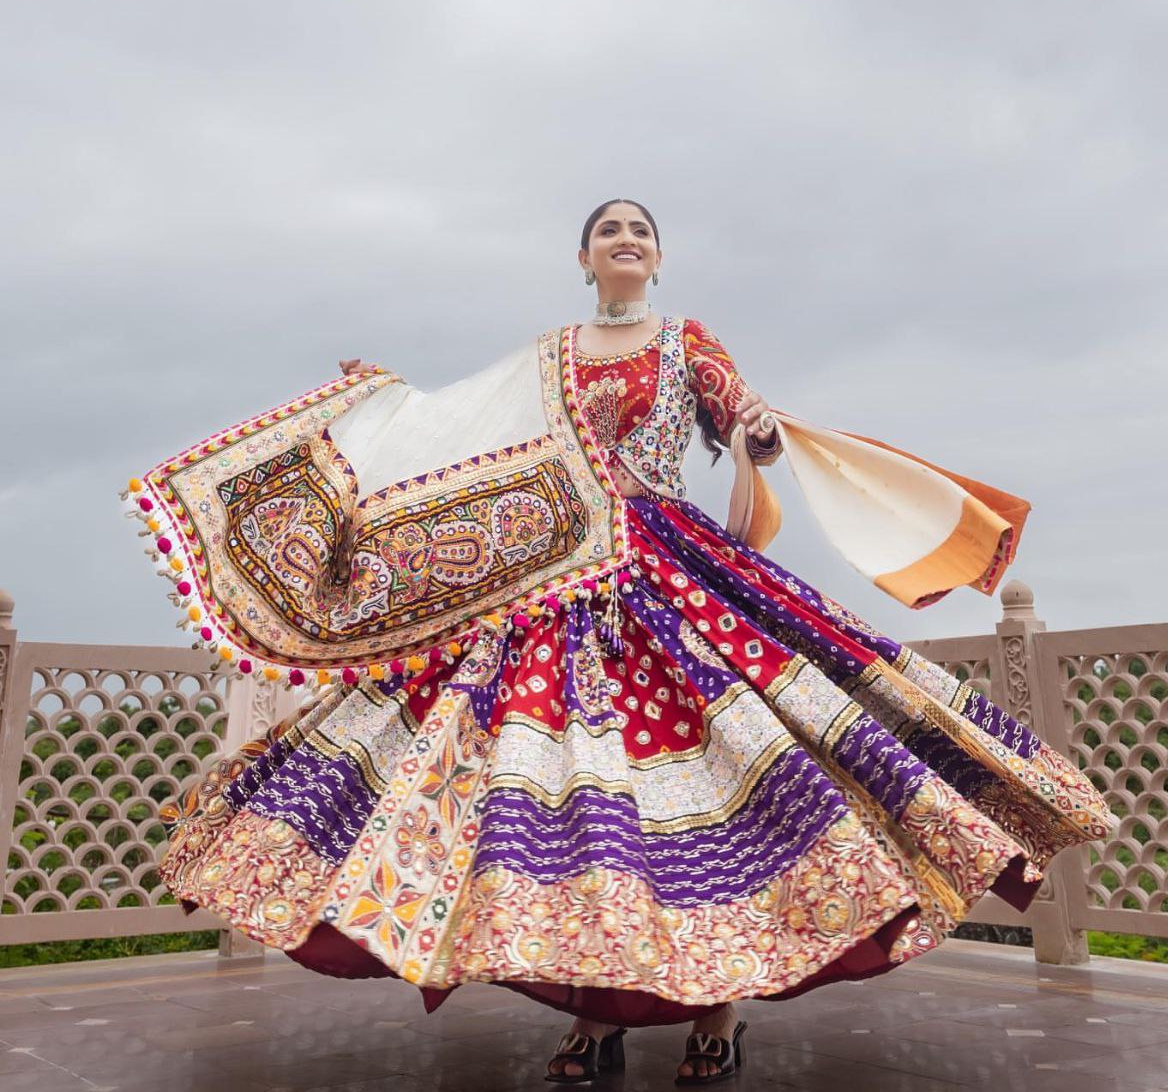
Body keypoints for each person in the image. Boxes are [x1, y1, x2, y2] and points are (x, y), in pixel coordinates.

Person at [129, 199, 1113, 1087]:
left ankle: (716, 1011)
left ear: (658, 255)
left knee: (725, 790)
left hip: (671, 567)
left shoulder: (686, 342)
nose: (627, 241)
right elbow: (459, 429)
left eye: (641, 230)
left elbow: (741, 419)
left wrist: (760, 430)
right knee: (578, 809)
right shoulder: (549, 353)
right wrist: (382, 411)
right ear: (583, 257)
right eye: (610, 231)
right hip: (558, 576)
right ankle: (598, 1012)